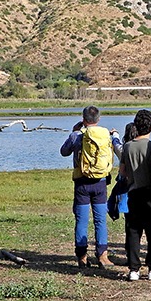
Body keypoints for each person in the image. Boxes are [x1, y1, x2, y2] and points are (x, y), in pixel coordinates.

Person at [59, 105, 121, 269]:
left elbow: (64, 152)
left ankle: (82, 257)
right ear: (98, 119)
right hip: (100, 183)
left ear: (83, 119)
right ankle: (103, 256)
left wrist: (73, 132)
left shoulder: (77, 135)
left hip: (82, 183)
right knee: (100, 220)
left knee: (81, 220)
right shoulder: (105, 135)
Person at [119, 109, 151, 281]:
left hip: (134, 192)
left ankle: (133, 269)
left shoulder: (127, 147)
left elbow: (122, 171)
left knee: (133, 231)